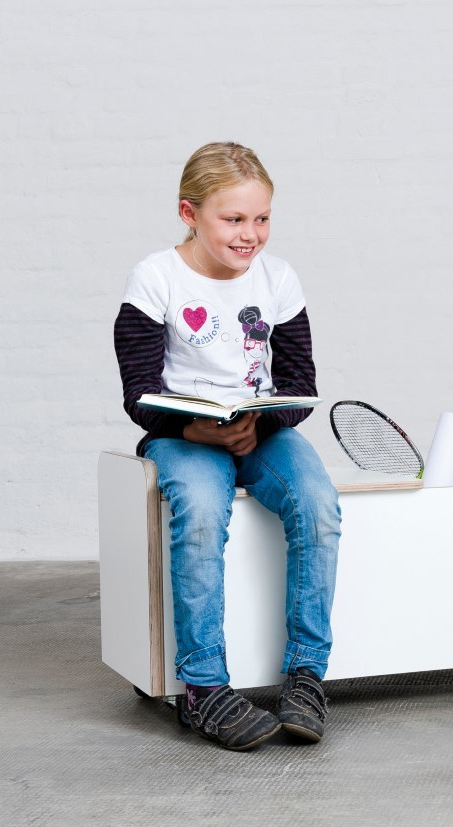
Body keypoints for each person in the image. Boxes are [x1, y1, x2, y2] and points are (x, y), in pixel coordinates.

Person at [113, 142, 340, 751]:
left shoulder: (279, 278)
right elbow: (139, 392)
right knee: (202, 512)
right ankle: (203, 688)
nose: (251, 235)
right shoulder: (155, 278)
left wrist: (258, 427)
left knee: (317, 503)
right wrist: (192, 430)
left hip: (258, 431)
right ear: (190, 213)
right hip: (183, 438)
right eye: (233, 219)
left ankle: (306, 674)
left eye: (261, 219)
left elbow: (299, 384)